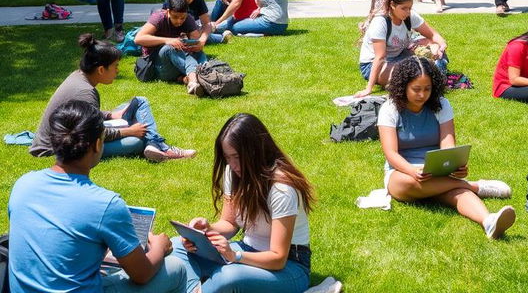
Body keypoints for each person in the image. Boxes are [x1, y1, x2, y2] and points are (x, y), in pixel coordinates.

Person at [10, 101, 188, 293]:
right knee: (176, 268)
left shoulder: (23, 184)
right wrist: (159, 248)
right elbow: (142, 274)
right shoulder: (105, 204)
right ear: (97, 144)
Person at [170, 112, 313, 293]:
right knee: (177, 246)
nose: (232, 164)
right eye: (227, 157)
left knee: (229, 277)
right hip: (248, 250)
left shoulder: (281, 189)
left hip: (289, 267)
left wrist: (234, 255)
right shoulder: (233, 173)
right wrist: (205, 230)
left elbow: (278, 258)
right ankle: (197, 289)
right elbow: (229, 224)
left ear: (256, 150)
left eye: (236, 156)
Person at [378, 57, 515, 239]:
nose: (422, 95)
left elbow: (447, 145)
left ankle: (489, 221)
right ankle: (476, 186)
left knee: (460, 194)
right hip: (403, 171)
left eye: (427, 89)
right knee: (407, 183)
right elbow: (390, 153)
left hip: (435, 171)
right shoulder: (390, 109)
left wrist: (454, 166)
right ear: (403, 86)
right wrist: (411, 170)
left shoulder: (442, 105)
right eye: (416, 89)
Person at [31, 33, 195, 161]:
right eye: (115, 67)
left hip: (73, 135)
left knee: (139, 102)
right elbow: (94, 133)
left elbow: (81, 113)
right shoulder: (85, 92)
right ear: (101, 69)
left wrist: (110, 115)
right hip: (61, 148)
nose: (117, 71)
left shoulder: (78, 78)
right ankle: (160, 147)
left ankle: (154, 145)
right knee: (136, 141)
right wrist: (128, 131)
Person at [356, 0, 447, 97]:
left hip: (401, 56)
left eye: (410, 8)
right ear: (392, 5)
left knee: (436, 51)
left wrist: (440, 45)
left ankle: (436, 73)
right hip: (373, 64)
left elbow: (432, 34)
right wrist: (368, 89)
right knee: (409, 77)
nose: (408, 12)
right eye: (404, 8)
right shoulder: (380, 22)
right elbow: (380, 57)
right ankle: (438, 74)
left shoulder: (409, 16)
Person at [135, 0, 208, 94]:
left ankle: (188, 79)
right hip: (157, 65)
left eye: (182, 18)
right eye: (175, 17)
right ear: (168, 11)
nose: (179, 21)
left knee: (197, 52)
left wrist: (197, 44)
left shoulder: (188, 19)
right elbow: (138, 39)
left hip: (177, 63)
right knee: (169, 48)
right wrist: (167, 40)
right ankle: (201, 76)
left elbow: (196, 38)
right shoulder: (158, 18)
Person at [163, 0, 233, 45]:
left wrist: (203, 39)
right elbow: (164, 23)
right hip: (175, 32)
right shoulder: (172, 1)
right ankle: (221, 37)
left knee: (203, 31)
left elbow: (206, 23)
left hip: (194, 28)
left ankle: (219, 35)